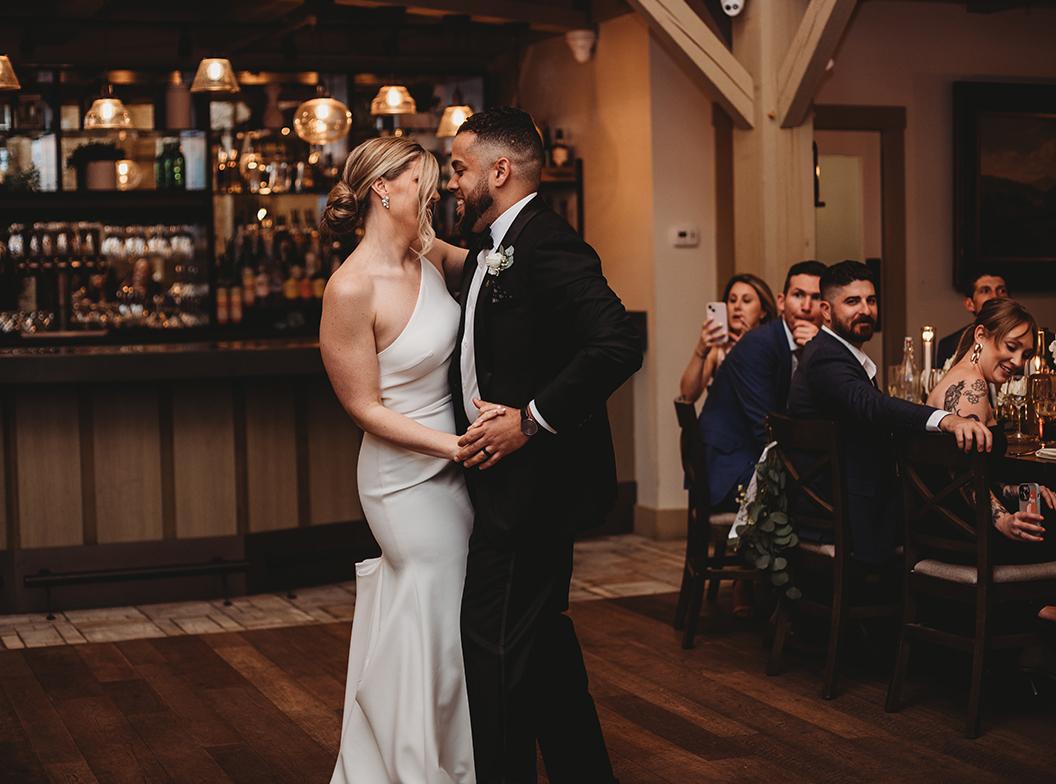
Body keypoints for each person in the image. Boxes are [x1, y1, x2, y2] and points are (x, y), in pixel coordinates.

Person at [446, 106, 643, 783]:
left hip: (533, 491)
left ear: (499, 171)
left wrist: (529, 419)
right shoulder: (499, 243)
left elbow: (620, 341)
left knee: (493, 648)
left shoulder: (544, 242)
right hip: (506, 488)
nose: (452, 182)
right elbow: (480, 282)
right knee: (541, 647)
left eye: (459, 168)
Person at [320, 136, 491, 783]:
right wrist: (453, 445)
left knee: (434, 618)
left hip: (454, 465)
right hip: (402, 479)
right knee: (436, 615)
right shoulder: (350, 287)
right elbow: (364, 408)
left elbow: (492, 263)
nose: (435, 191)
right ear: (381, 189)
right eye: (423, 180)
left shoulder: (427, 255)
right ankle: (427, 767)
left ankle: (420, 756)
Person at [788, 260, 993, 566]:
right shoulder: (826, 357)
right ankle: (952, 598)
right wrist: (945, 418)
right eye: (852, 301)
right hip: (847, 508)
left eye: (871, 300)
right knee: (959, 511)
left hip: (848, 495)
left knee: (954, 499)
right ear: (826, 311)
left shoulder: (837, 352)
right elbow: (869, 404)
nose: (866, 310)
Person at [926, 298, 1056, 565]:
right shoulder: (971, 386)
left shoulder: (958, 377)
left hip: (950, 523)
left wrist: (1021, 490)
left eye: (1027, 354)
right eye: (1012, 347)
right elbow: (965, 478)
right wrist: (1004, 521)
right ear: (981, 335)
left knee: (1043, 501)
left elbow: (976, 474)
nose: (1019, 362)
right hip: (967, 534)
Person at [698, 260, 826, 512]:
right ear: (781, 302)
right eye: (798, 295)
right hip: (730, 466)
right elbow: (765, 427)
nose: (806, 307)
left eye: (816, 298)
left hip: (760, 453)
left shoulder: (818, 344)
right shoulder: (759, 344)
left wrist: (818, 348)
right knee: (824, 489)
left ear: (826, 308)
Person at [678, 273, 776, 403]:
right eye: (732, 300)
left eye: (746, 301)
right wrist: (700, 351)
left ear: (763, 312)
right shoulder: (718, 349)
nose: (737, 307)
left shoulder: (773, 345)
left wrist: (747, 347)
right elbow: (687, 395)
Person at [935, 268, 1008, 368]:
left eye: (1001, 290)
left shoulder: (1024, 339)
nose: (995, 296)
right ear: (970, 304)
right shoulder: (949, 345)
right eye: (985, 291)